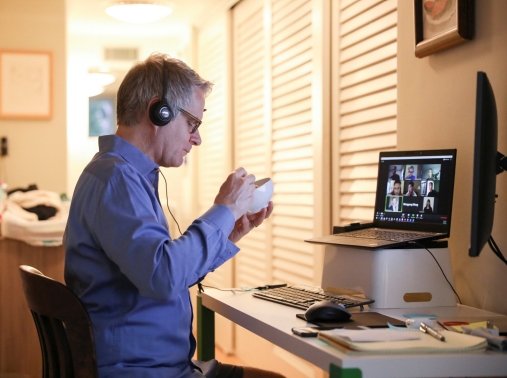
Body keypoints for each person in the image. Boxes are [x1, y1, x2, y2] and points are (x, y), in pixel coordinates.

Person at [64, 53, 283, 378]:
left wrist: (226, 233)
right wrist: (223, 210)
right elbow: (163, 277)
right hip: (143, 371)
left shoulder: (124, 176)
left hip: (161, 366)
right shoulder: (117, 181)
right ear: (159, 111)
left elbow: (164, 268)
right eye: (192, 124)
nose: (197, 138)